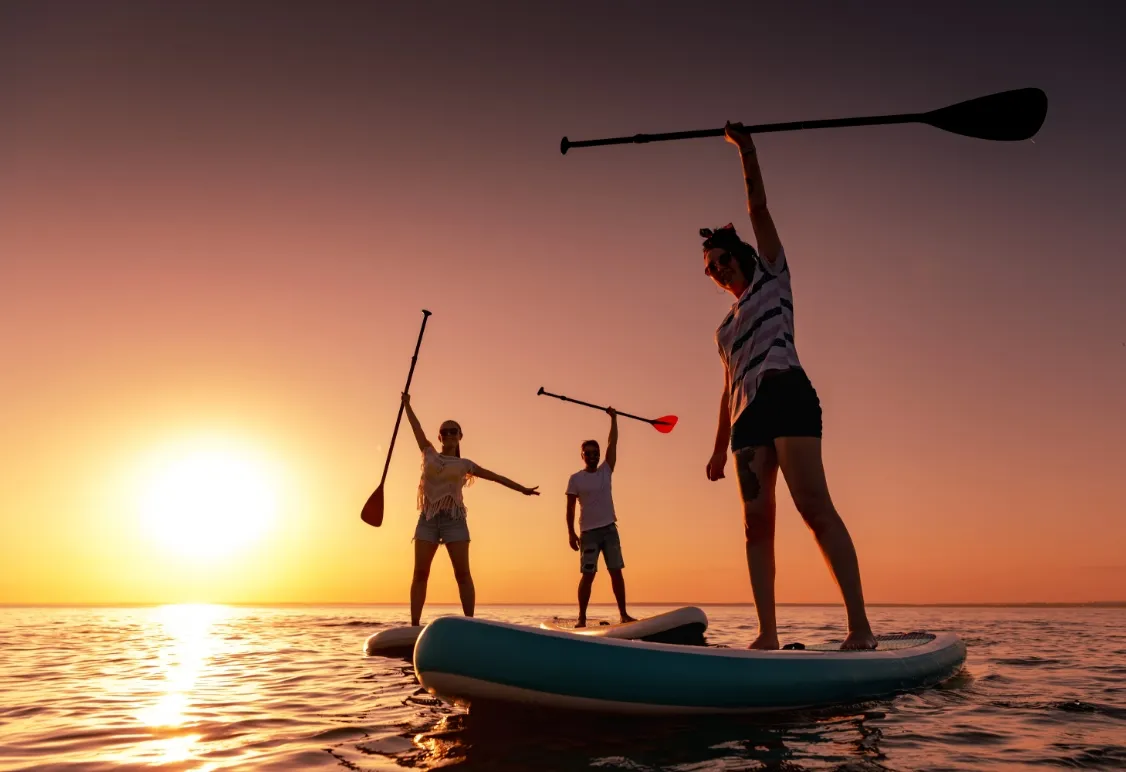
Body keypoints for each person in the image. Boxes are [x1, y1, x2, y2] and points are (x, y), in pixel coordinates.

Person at [701, 121, 877, 650]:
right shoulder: (724, 329)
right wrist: (717, 449)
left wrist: (746, 149)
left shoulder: (773, 276)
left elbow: (758, 209)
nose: (717, 270)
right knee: (756, 525)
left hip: (787, 395)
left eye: (722, 260)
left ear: (742, 255)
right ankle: (768, 635)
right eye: (709, 269)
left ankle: (860, 629)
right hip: (746, 419)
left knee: (813, 507)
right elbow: (727, 388)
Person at [401, 392, 540, 626]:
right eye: (444, 431)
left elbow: (496, 477)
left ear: (460, 436)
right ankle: (414, 626)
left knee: (462, 574)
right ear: (439, 436)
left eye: (453, 431)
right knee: (420, 574)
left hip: (454, 520)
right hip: (428, 519)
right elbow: (417, 428)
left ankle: (470, 624)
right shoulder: (428, 452)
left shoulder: (465, 464)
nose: (449, 434)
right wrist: (407, 404)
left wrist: (523, 489)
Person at [565, 407, 636, 627]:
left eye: (595, 453)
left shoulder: (606, 471)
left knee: (616, 572)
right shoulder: (575, 479)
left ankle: (623, 614)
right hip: (588, 534)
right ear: (582, 456)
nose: (593, 456)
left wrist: (614, 419)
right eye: (588, 453)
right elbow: (569, 509)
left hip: (610, 530)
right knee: (588, 575)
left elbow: (612, 443)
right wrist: (571, 533)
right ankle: (581, 618)